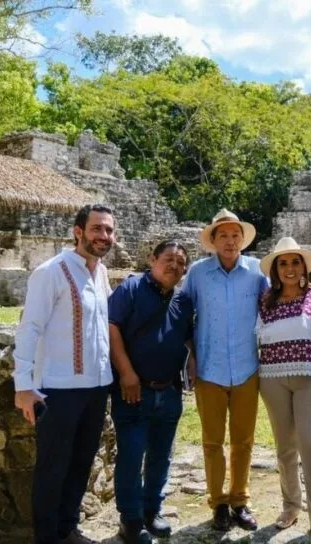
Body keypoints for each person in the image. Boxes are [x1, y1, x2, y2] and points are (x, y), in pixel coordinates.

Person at [13, 204, 116, 544]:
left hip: (97, 386)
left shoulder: (101, 273)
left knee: (81, 463)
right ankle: (46, 538)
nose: (104, 236)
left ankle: (67, 529)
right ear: (78, 231)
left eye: (109, 230)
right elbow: (29, 328)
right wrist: (23, 385)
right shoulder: (51, 272)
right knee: (52, 469)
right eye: (97, 228)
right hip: (58, 389)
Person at [255, 237, 311, 542]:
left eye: (295, 262)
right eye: (283, 263)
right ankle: (290, 506)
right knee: (284, 446)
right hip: (272, 378)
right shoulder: (265, 301)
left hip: (309, 377)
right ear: (276, 269)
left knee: (310, 444)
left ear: (305, 267)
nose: (290, 268)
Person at [182, 208, 267, 532]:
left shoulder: (257, 272)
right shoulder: (198, 273)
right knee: (212, 442)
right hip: (209, 368)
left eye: (235, 236)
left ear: (242, 240)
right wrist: (190, 355)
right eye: (223, 236)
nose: (230, 241)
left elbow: (271, 307)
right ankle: (218, 502)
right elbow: (182, 314)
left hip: (247, 367)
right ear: (213, 241)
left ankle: (240, 500)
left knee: (243, 441)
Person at [107, 241, 194, 543]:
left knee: (161, 456)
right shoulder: (130, 289)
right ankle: (130, 519)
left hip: (169, 391)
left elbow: (186, 337)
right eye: (168, 259)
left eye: (180, 262)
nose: (174, 266)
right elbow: (112, 328)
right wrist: (127, 373)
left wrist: (192, 362)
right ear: (152, 259)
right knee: (131, 456)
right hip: (134, 391)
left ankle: (151, 510)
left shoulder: (183, 300)